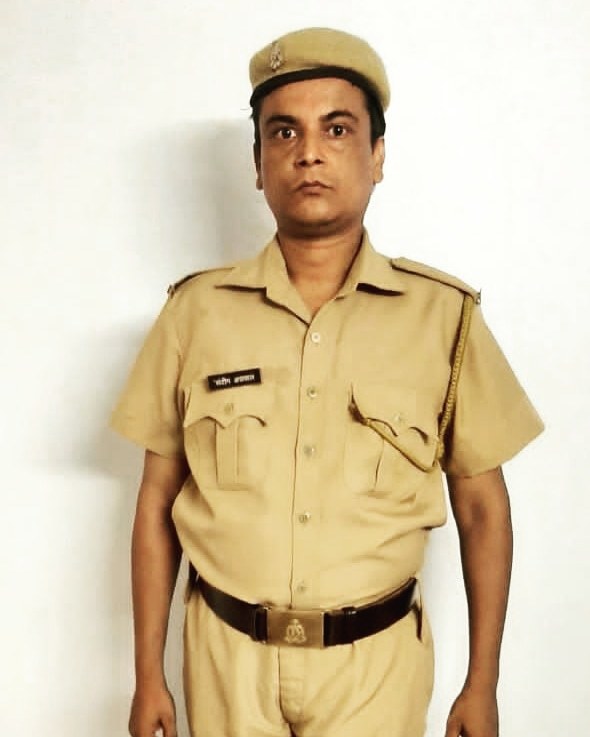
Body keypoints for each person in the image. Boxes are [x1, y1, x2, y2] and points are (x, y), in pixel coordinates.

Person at [111, 27, 544, 737]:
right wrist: (148, 674)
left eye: (336, 129)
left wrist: (482, 683)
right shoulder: (195, 314)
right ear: (257, 163)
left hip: (375, 671)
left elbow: (482, 511)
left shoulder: (444, 318)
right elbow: (157, 501)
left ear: (377, 155)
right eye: (283, 132)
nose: (308, 152)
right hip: (226, 662)